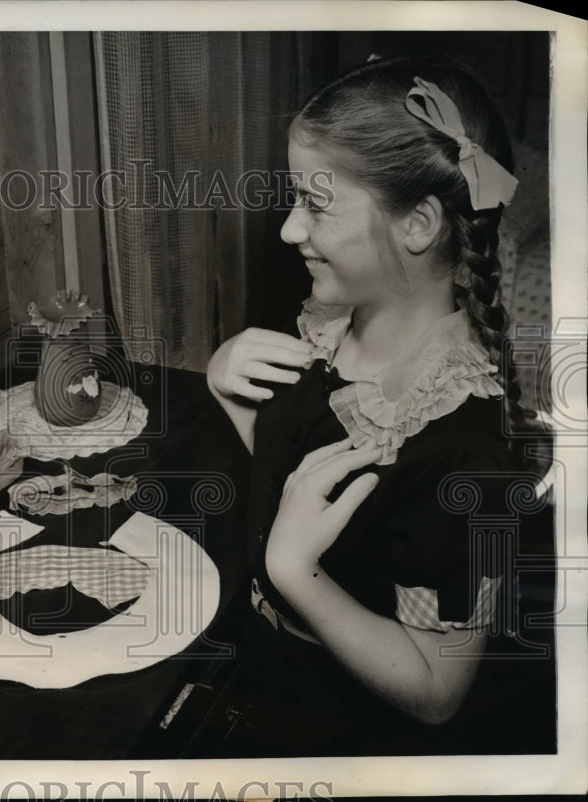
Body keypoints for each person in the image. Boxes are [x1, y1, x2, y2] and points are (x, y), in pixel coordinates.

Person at [205, 56, 553, 756]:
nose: (288, 230)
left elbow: (436, 691)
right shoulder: (328, 326)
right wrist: (227, 392)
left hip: (349, 727)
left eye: (316, 203)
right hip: (266, 670)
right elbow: (318, 489)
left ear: (418, 223)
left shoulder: (466, 450)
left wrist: (292, 572)